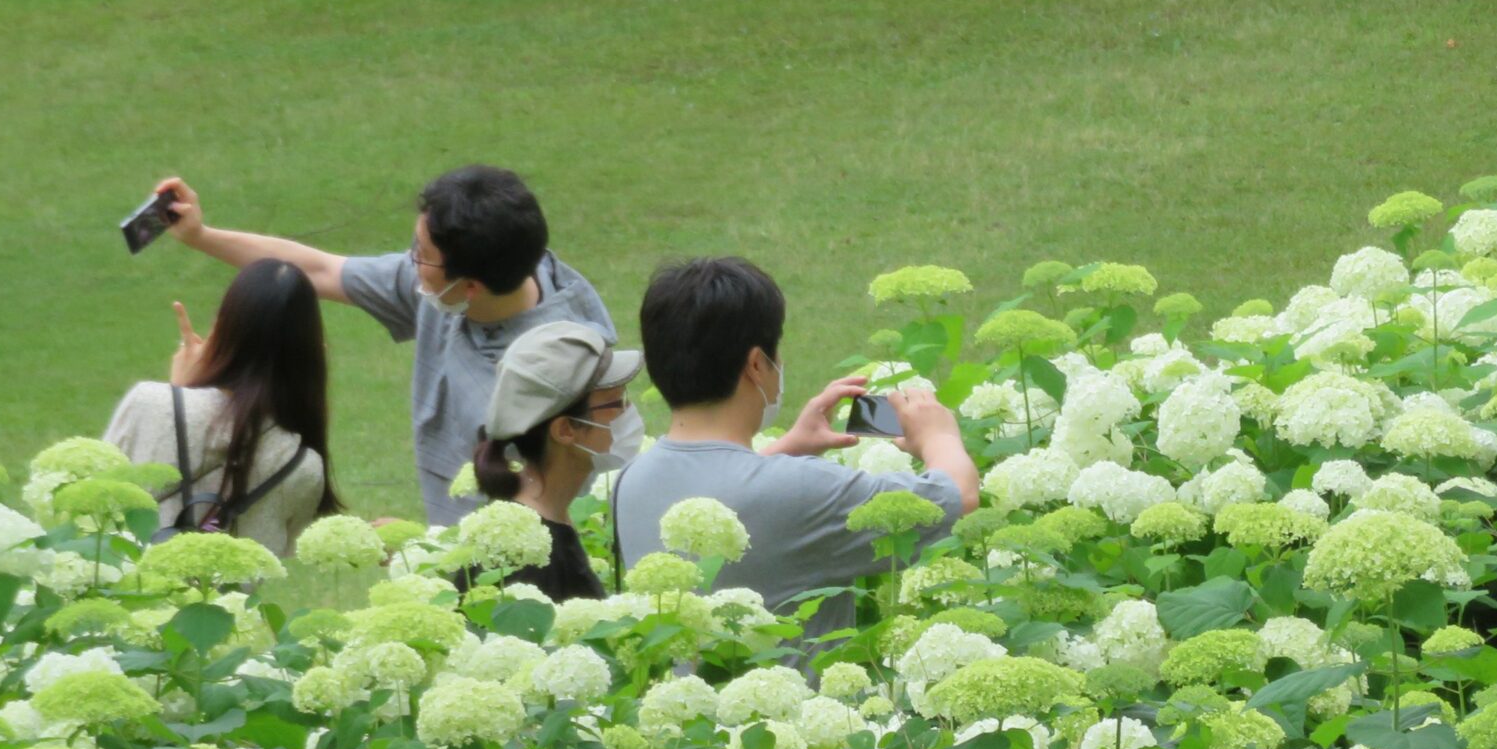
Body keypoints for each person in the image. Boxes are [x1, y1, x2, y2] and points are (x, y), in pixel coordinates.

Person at [151, 167, 611, 528]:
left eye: (422, 256)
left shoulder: (552, 374)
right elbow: (320, 271)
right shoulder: (493, 273)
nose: (411, 263)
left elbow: (548, 522)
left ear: (469, 285)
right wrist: (200, 235)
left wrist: (421, 547)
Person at [611, 257, 978, 640]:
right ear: (756, 364)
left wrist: (789, 448)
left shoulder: (630, 482)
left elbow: (718, 502)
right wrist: (939, 436)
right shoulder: (804, 488)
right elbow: (959, 497)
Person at [104, 258, 342, 557]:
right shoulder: (302, 467)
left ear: (222, 328)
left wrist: (180, 394)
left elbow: (94, 505)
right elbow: (283, 549)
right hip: (219, 605)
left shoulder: (148, 403)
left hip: (122, 597)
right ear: (313, 353)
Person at [470, 322, 644, 602]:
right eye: (615, 403)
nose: (628, 412)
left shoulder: (551, 516)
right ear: (565, 430)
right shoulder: (527, 557)